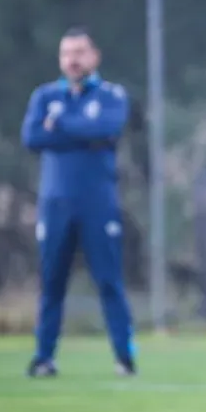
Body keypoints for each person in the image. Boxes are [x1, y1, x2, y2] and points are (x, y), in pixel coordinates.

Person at [21, 26, 136, 378]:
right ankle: (44, 358)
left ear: (94, 56)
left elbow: (106, 129)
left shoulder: (111, 95)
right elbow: (32, 136)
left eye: (79, 52)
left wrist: (59, 128)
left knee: (109, 282)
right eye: (66, 53)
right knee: (52, 282)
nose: (72, 59)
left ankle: (124, 358)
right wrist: (79, 133)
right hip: (55, 204)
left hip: (98, 204)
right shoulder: (43, 96)